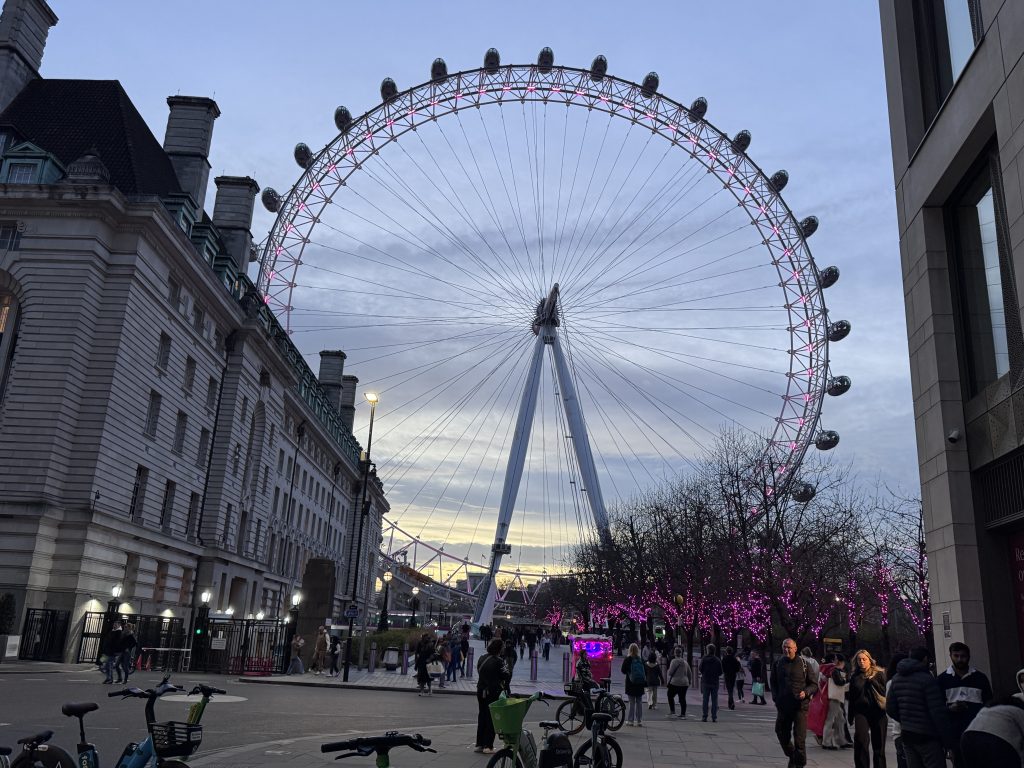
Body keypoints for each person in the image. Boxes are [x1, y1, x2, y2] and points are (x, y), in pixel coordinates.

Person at [886, 646, 955, 768]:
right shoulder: (927, 680)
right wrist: (948, 741)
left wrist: (905, 718)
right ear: (925, 659)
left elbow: (890, 708)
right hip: (928, 735)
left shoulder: (896, 679)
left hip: (907, 734)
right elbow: (937, 713)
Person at [937, 642, 992, 768]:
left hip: (977, 730)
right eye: (956, 656)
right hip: (955, 734)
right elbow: (938, 709)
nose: (960, 659)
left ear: (968, 656)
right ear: (950, 656)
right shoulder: (942, 680)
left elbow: (989, 703)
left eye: (963, 656)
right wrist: (950, 708)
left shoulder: (980, 678)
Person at [770, 637, 819, 768]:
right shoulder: (777, 663)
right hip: (783, 706)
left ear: (795, 649)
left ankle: (799, 764)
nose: (786, 650)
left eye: (789, 647)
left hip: (800, 707)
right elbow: (773, 683)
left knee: (799, 739)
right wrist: (776, 698)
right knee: (780, 732)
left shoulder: (804, 664)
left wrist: (807, 692)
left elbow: (814, 685)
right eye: (784, 647)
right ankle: (793, 755)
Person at [960, 668, 1024, 767]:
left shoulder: (1003, 704)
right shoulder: (1017, 703)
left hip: (968, 737)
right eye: (1022, 680)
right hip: (997, 741)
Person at [848, 649, 888, 768]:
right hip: (861, 712)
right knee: (860, 741)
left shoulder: (879, 673)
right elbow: (852, 697)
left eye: (864, 659)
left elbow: (885, 691)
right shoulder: (855, 676)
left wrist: (872, 682)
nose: (862, 662)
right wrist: (850, 716)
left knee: (879, 746)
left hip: (878, 712)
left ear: (870, 661)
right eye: (859, 660)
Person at [474, 638, 511, 754]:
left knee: (482, 716)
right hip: (493, 691)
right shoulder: (499, 661)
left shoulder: (482, 658)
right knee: (491, 718)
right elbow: (506, 675)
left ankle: (479, 744)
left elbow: (479, 670)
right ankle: (488, 745)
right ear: (499, 649)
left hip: (481, 690)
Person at [822, 654, 853, 750]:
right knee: (831, 720)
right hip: (835, 698)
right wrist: (848, 682)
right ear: (841, 662)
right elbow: (839, 683)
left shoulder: (836, 670)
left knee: (840, 719)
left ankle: (840, 740)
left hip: (836, 697)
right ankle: (827, 742)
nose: (834, 660)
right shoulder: (835, 671)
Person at [884, 654, 908, 768]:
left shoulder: (891, 683)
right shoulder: (892, 683)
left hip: (900, 730)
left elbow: (890, 709)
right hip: (902, 730)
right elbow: (890, 708)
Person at [622, 642, 647, 726]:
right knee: (639, 702)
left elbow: (623, 670)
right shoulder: (640, 659)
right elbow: (645, 672)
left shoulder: (628, 659)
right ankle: (639, 720)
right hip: (640, 683)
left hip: (631, 683)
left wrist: (629, 672)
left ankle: (630, 721)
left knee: (631, 702)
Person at [698, 644, 723, 722]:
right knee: (714, 700)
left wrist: (705, 673)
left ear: (708, 650)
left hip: (706, 681)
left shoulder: (704, 659)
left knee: (705, 699)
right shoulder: (717, 660)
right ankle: (714, 717)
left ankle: (704, 716)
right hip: (715, 682)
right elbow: (720, 672)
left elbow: (700, 668)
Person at [666, 646, 691, 719]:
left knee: (670, 695)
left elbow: (670, 673)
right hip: (684, 683)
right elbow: (689, 673)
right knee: (682, 698)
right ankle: (683, 714)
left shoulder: (673, 661)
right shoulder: (685, 662)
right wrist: (689, 681)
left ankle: (672, 711)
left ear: (675, 653)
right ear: (681, 653)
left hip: (675, 682)